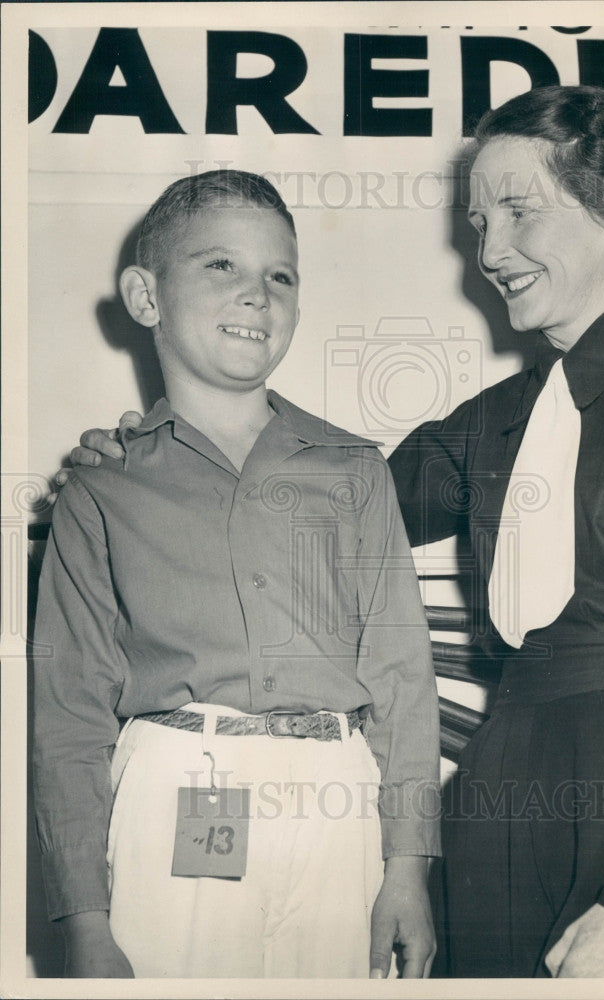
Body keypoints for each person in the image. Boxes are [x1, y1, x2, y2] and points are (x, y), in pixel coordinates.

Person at [66, 85, 604, 979]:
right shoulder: (497, 418)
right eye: (479, 222)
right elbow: (306, 504)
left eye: (519, 210)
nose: (490, 251)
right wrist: (144, 455)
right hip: (493, 810)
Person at [33, 169, 440, 979]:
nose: (257, 295)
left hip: (337, 798)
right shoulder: (101, 486)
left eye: (280, 276)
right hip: (173, 787)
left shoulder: (353, 469)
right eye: (221, 266)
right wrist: (83, 915)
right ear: (145, 297)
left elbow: (402, 678)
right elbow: (70, 715)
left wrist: (407, 866)